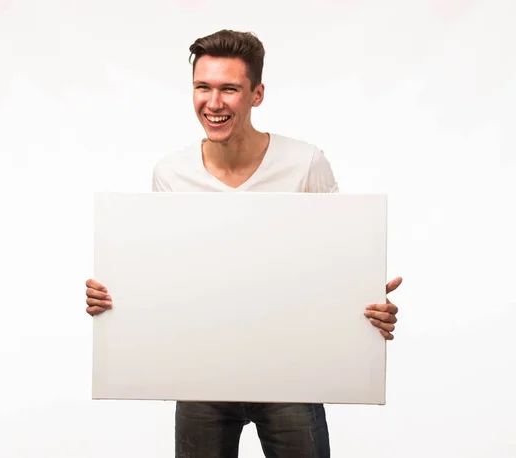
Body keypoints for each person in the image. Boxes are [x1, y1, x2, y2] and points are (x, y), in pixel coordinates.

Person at [85, 29, 402, 458]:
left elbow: (336, 262)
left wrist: (365, 304)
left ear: (257, 94)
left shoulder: (305, 163)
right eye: (203, 87)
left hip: (291, 373)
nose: (213, 103)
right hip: (202, 376)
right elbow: (166, 277)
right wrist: (115, 301)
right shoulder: (171, 173)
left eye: (229, 89)